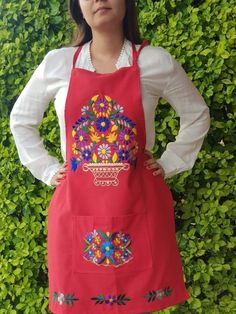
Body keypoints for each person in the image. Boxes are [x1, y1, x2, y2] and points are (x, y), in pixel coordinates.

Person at [10, 0, 210, 313]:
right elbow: (21, 120)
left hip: (140, 204)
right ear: (78, 7)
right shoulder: (58, 63)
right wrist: (48, 170)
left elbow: (196, 114)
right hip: (77, 206)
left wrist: (171, 161)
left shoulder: (156, 61)